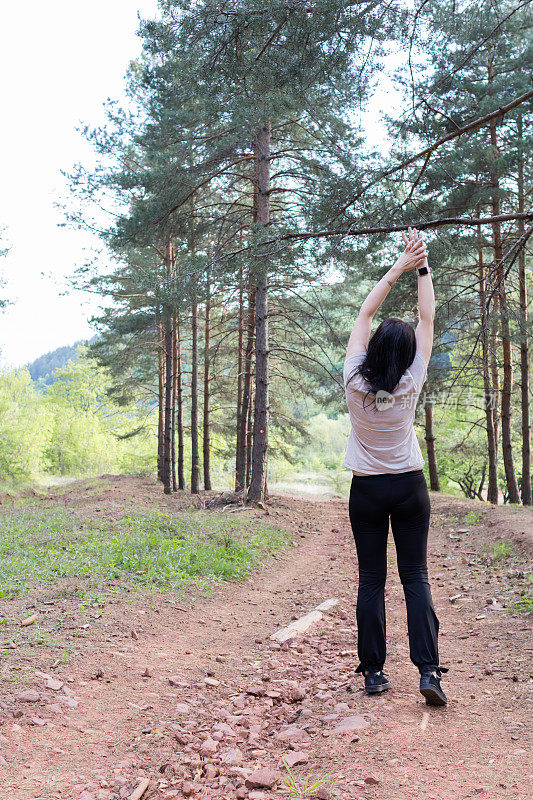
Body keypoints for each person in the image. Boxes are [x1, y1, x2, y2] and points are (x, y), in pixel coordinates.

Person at [342, 226, 448, 706]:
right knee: (416, 577)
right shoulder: (411, 381)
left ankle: (374, 675)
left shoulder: (353, 380)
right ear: (405, 356)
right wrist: (421, 264)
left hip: (366, 490)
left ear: (375, 348)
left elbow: (366, 311)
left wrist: (398, 266)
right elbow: (428, 315)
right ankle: (429, 673)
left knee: (371, 581)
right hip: (409, 488)